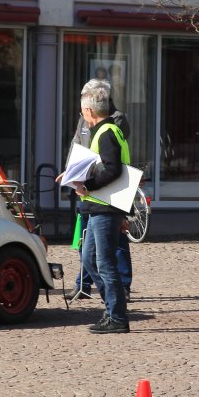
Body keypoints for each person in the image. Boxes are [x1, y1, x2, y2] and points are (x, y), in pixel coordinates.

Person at [70, 81, 131, 334]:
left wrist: (88, 186)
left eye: (82, 110)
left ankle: (117, 316)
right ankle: (113, 310)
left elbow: (112, 170)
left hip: (105, 207)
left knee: (104, 263)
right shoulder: (107, 130)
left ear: (88, 111)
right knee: (90, 259)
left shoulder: (106, 132)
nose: (82, 114)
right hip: (98, 207)